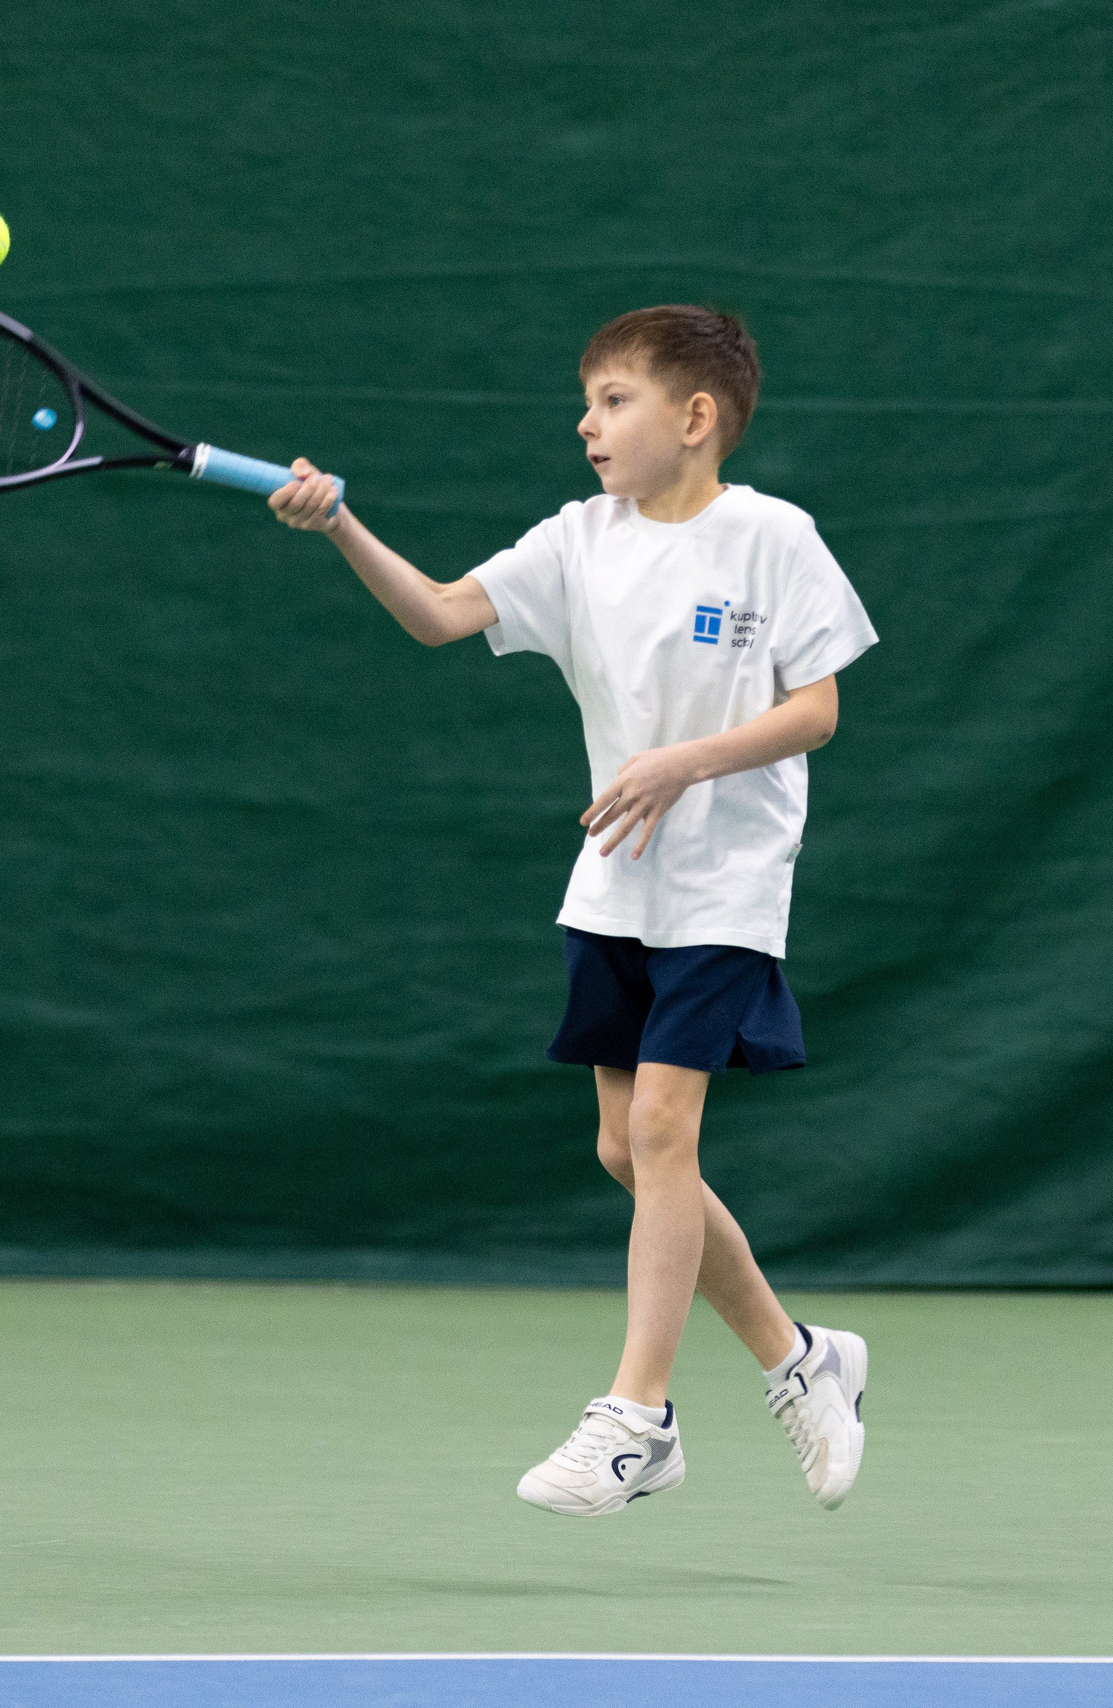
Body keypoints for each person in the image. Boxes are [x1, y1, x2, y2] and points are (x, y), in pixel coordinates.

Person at [268, 306, 877, 1515]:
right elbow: (441, 611)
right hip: (613, 881)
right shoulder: (575, 541)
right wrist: (338, 521)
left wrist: (682, 761)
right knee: (625, 1148)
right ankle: (802, 1360)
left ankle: (637, 1416)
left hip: (724, 884)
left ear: (694, 419)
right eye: (587, 400)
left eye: (612, 399)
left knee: (660, 1131)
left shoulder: (772, 537)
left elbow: (816, 710)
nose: (585, 422)